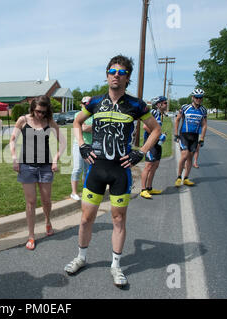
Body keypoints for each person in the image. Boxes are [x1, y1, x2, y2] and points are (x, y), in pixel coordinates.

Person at [64, 55, 161, 288]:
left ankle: (116, 266)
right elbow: (77, 123)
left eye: (121, 72)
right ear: (107, 74)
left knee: (118, 218)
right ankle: (81, 257)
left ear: (127, 77)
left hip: (121, 171)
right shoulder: (95, 102)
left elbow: (156, 129)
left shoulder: (136, 105)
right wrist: (82, 145)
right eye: (112, 70)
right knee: (87, 217)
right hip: (96, 169)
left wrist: (142, 152)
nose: (116, 74)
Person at [9, 95, 66, 250]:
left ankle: (47, 221)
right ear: (32, 109)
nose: (40, 115)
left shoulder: (49, 122)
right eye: (38, 111)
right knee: (31, 202)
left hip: (46, 166)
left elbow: (63, 142)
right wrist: (14, 158)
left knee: (46, 200)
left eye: (43, 112)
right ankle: (31, 235)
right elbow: (12, 139)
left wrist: (55, 159)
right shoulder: (23, 120)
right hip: (26, 166)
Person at [174, 88, 207, 187]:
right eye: (196, 97)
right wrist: (176, 134)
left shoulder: (203, 110)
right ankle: (179, 177)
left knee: (190, 158)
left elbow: (204, 125)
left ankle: (186, 178)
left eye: (200, 97)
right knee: (184, 156)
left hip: (195, 136)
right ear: (193, 97)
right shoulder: (185, 107)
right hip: (184, 135)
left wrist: (202, 138)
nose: (198, 99)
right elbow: (177, 120)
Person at [140, 96, 168, 199]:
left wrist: (161, 136)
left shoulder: (160, 114)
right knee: (148, 166)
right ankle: (143, 190)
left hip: (157, 144)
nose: (166, 104)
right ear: (158, 104)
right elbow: (145, 127)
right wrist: (159, 135)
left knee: (155, 166)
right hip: (150, 144)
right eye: (164, 103)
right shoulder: (154, 112)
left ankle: (149, 187)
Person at [70, 96, 93, 201]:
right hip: (79, 144)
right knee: (77, 168)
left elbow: (96, 129)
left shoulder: (95, 115)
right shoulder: (78, 114)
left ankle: (85, 191)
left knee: (88, 170)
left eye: (88, 103)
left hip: (91, 146)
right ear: (81, 104)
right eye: (85, 103)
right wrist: (92, 127)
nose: (86, 105)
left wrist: (90, 128)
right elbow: (83, 128)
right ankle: (74, 192)